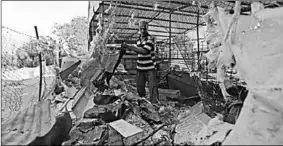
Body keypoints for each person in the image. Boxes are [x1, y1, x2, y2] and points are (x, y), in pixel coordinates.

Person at [122, 20, 159, 104]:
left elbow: (144, 51)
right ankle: (143, 103)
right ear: (139, 28)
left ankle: (155, 104)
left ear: (147, 28)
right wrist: (126, 51)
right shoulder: (138, 40)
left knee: (153, 88)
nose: (142, 30)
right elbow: (137, 51)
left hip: (150, 68)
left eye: (144, 29)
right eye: (141, 28)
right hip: (140, 68)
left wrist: (129, 46)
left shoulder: (150, 39)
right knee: (139, 87)